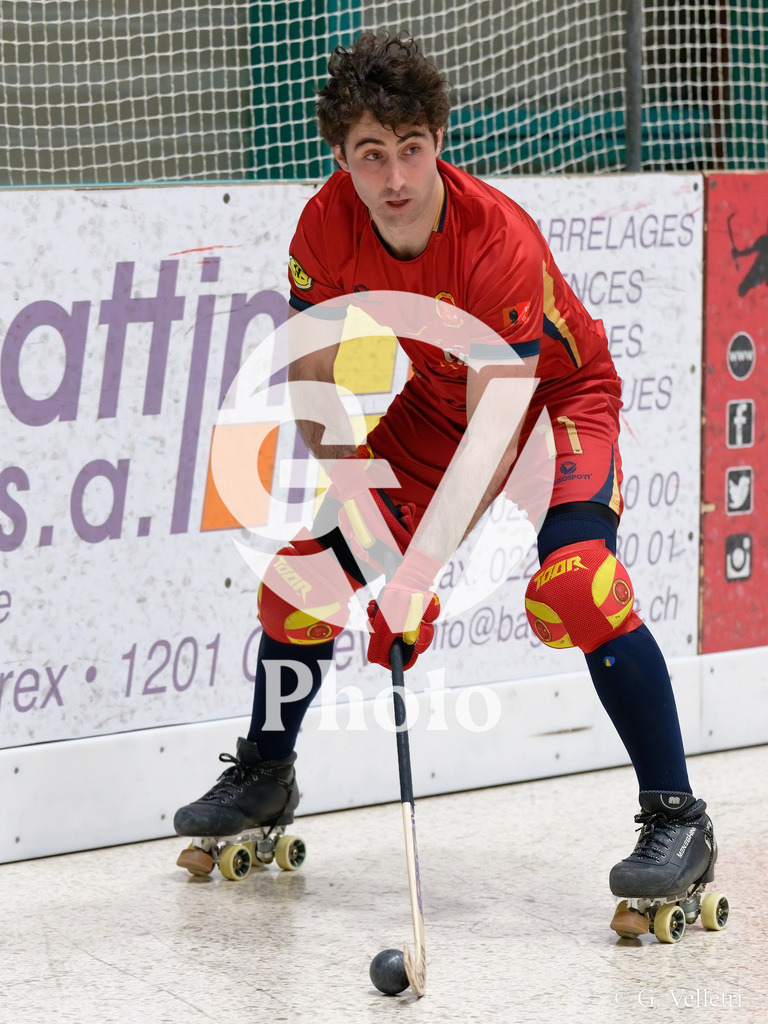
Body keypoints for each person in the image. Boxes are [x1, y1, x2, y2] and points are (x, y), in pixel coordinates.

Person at [174, 32, 718, 934]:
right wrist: (369, 537)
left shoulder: (494, 239)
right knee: (300, 583)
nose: (395, 177)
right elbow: (314, 391)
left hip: (552, 405)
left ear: (440, 139)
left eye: (412, 148)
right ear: (342, 157)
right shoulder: (325, 227)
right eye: (371, 154)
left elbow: (497, 439)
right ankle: (267, 775)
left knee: (577, 586)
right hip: (440, 404)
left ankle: (678, 820)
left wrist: (415, 580)